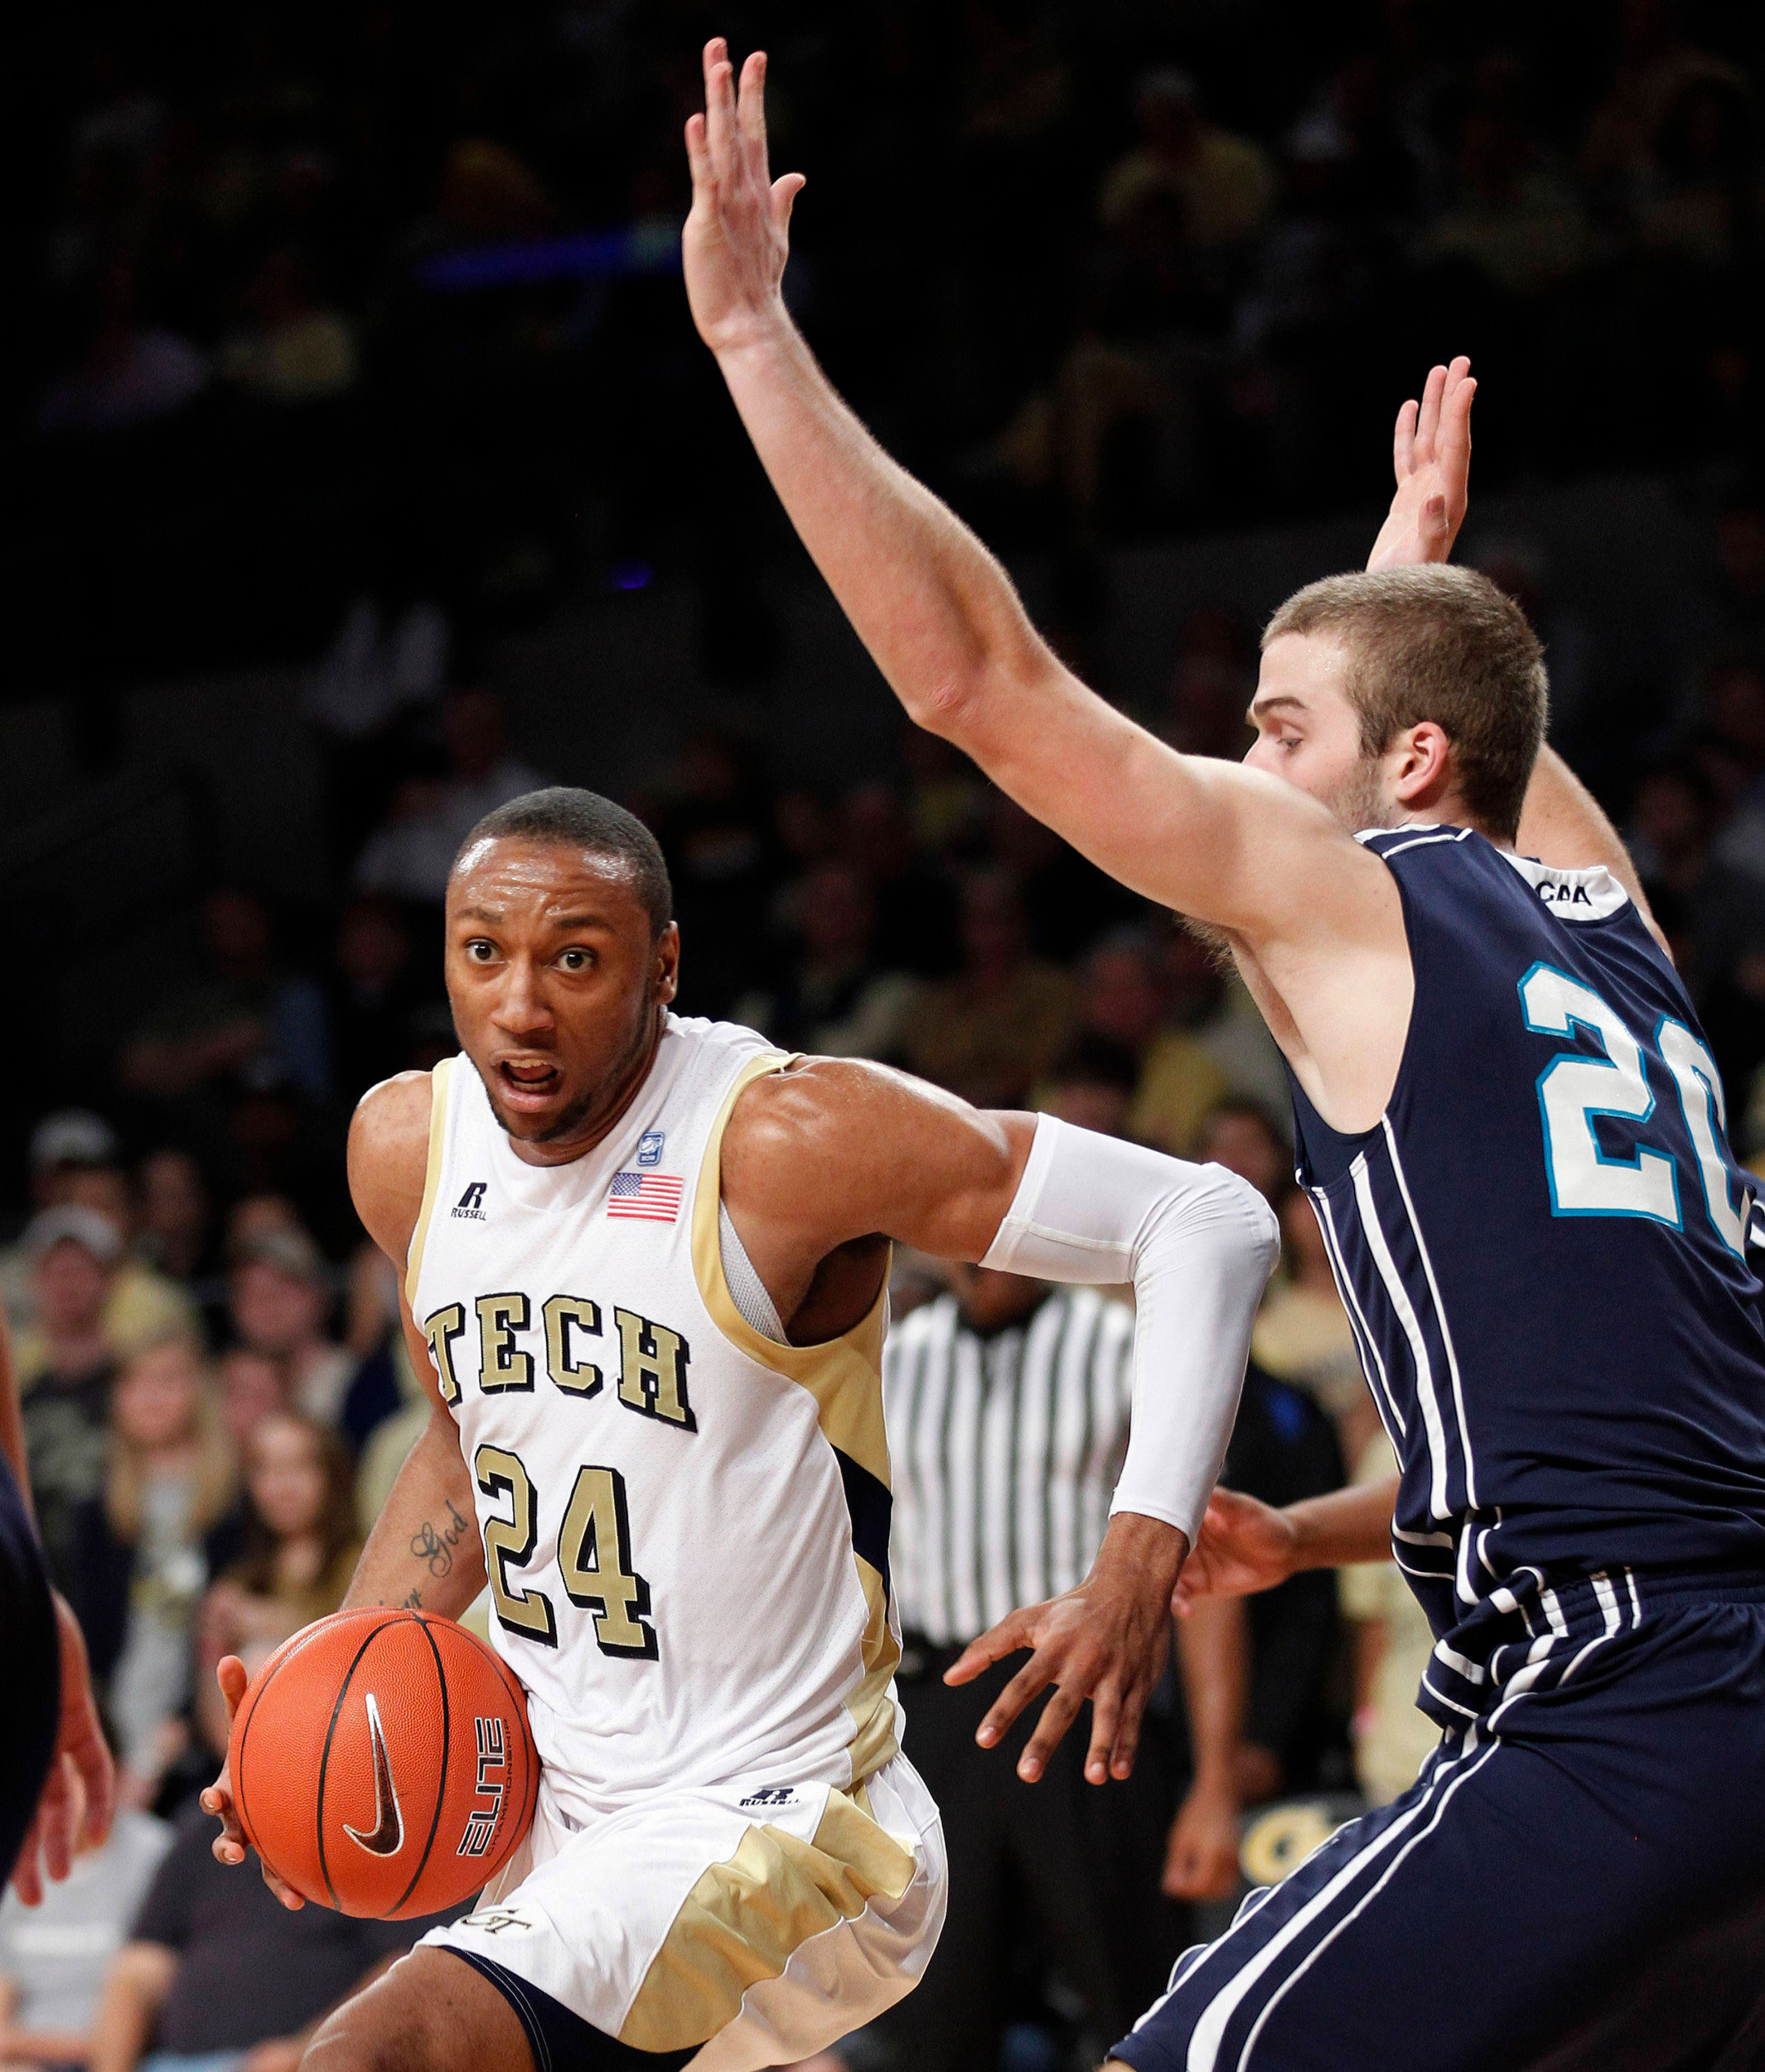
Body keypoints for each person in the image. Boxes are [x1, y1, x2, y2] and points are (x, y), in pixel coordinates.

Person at [683, 46, 1765, 2064]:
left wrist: (755, 339)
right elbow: (1617, 1396)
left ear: (1406, 766)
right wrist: (1326, 1529)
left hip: (1609, 1704)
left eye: (1273, 727)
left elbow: (975, 678)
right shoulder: (1622, 935)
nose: (1241, 766)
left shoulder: (1355, 898)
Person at [201, 783, 1278, 2072]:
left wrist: (1138, 1563)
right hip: (558, 1822)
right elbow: (466, 1445)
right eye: (483, 953)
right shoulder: (406, 1150)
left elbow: (1206, 1220)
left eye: (575, 960)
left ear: (663, 966)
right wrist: (324, 1706)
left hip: (789, 1819)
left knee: (369, 2057)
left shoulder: (783, 1138)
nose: (520, 1005)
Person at [873, 1259, 1251, 2072]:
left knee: (1138, 2001)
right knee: (933, 2021)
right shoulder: (892, 1357)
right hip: (937, 1710)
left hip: (1085, 1708)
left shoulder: (1118, 1345)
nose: (976, 1253)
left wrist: (1216, 1781)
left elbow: (1209, 1569)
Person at [85, 1639, 433, 2072]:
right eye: (242, 1713)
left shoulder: (372, 1827)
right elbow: (141, 1964)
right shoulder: (199, 1829)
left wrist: (308, 2049)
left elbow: (405, 1964)